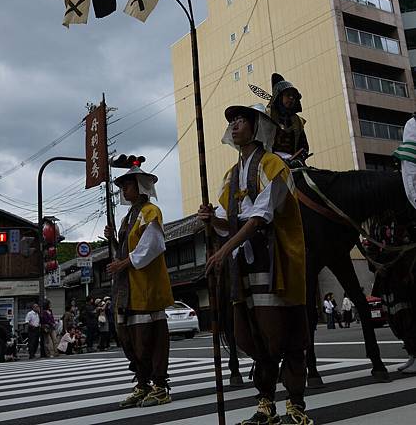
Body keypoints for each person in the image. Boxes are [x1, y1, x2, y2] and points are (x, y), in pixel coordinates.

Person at [199, 102, 312, 425]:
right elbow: (227, 221)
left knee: (287, 334)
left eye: (241, 121)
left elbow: (261, 216)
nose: (234, 126)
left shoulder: (275, 164)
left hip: (276, 259)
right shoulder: (231, 175)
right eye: (232, 121)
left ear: (257, 127)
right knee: (253, 335)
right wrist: (210, 221)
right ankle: (265, 403)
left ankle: (295, 405)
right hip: (245, 266)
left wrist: (223, 250)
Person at [105, 164, 174, 408]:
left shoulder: (150, 211)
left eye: (128, 184)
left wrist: (123, 263)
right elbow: (126, 248)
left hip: (146, 287)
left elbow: (152, 246)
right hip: (129, 289)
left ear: (141, 186)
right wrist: (113, 239)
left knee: (149, 338)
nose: (123, 189)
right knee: (130, 338)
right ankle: (143, 383)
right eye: (122, 185)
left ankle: (159, 385)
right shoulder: (128, 217)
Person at [267, 73, 309, 165]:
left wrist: (299, 158)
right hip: (270, 164)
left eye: (294, 97)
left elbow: (304, 146)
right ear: (279, 96)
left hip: (293, 163)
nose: (291, 98)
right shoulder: (266, 116)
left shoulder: (298, 122)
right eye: (288, 95)